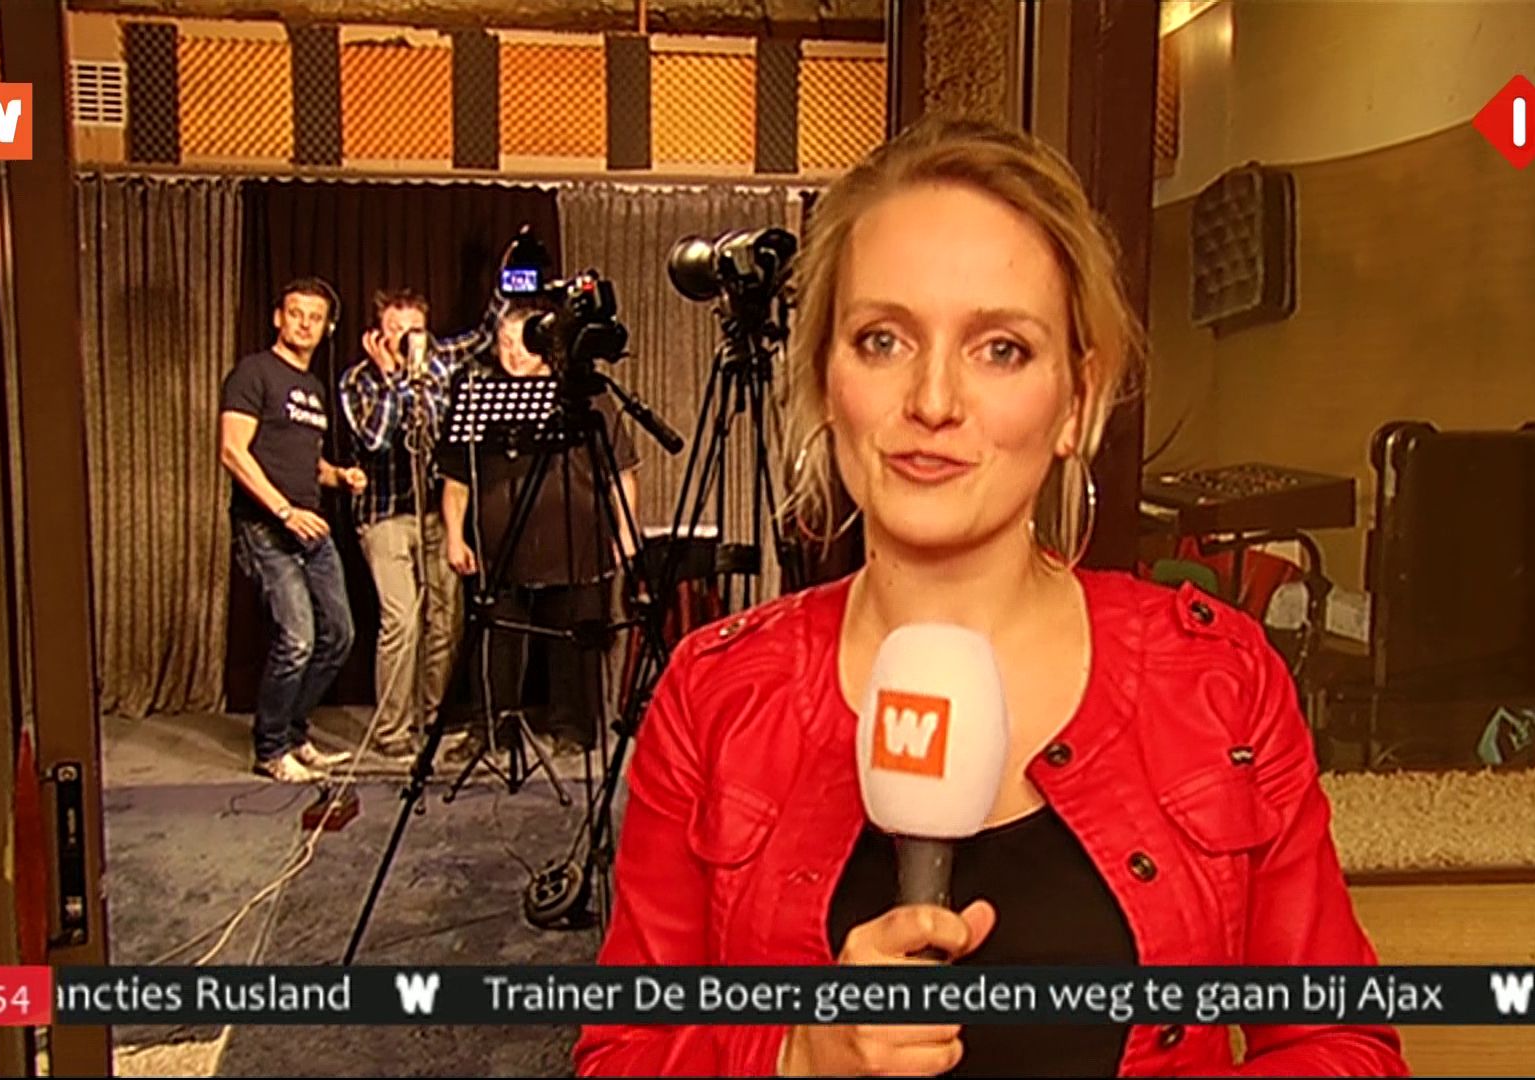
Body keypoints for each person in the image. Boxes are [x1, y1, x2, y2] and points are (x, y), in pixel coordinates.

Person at [573, 117, 1408, 1077]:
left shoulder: (1221, 680)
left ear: (1078, 402)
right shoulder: (715, 694)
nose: (933, 400)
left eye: (1001, 348)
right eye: (882, 339)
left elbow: (1342, 1044)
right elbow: (621, 1054)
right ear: (826, 380)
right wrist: (796, 1059)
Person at [439, 304, 641, 760]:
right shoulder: (477, 400)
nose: (513, 354)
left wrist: (626, 534)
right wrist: (455, 535)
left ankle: (574, 726)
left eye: (523, 344)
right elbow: (456, 480)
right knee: (496, 643)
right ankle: (493, 728)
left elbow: (622, 473)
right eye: (504, 344)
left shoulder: (586, 398)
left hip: (576, 543)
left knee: (576, 643)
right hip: (500, 548)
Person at [338, 288, 505, 759]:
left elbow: (485, 334)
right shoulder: (359, 380)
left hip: (435, 512)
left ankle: (433, 717)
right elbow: (374, 439)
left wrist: (507, 276)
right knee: (402, 619)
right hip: (385, 515)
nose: (406, 338)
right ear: (377, 333)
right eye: (395, 329)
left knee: (445, 618)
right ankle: (392, 730)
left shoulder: (438, 361)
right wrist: (394, 379)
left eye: (414, 330)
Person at [219, 278, 365, 783]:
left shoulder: (314, 390)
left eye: (315, 317)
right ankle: (271, 748)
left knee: (339, 636)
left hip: (310, 526)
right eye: (296, 313)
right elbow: (232, 451)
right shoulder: (253, 372)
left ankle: (295, 734)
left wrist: (339, 476)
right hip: (267, 526)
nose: (305, 323)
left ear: (327, 328)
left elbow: (307, 462)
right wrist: (284, 511)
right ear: (278, 318)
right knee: (298, 638)